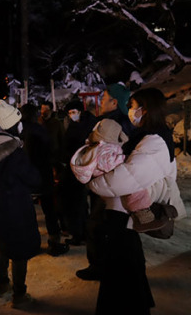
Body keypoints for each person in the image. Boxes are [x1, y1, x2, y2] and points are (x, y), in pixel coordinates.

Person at [87, 87, 186, 315]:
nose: (131, 111)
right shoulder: (148, 136)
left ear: (146, 109)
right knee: (127, 266)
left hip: (124, 214)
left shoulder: (154, 142)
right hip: (123, 213)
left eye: (133, 106)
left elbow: (125, 179)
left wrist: (93, 183)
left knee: (122, 268)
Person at [0, 99, 41, 308]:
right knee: (19, 252)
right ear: (12, 125)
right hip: (17, 208)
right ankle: (19, 296)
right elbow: (33, 179)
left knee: (2, 246)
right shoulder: (14, 152)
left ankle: (2, 284)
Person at [76, 82, 136, 281]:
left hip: (109, 185)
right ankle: (104, 265)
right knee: (104, 226)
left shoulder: (114, 125)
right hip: (107, 184)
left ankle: (100, 267)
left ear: (114, 102)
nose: (100, 102)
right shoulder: (113, 121)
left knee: (98, 225)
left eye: (103, 98)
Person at [71, 118, 171, 232]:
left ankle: (147, 213)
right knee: (136, 193)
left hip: (106, 182)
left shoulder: (96, 147)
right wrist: (125, 158)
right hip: (111, 181)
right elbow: (110, 162)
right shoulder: (106, 149)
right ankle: (144, 219)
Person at [20, 103, 69, 256]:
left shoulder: (19, 130)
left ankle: (29, 243)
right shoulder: (40, 130)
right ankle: (54, 243)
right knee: (49, 210)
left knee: (27, 212)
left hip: (25, 176)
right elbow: (51, 150)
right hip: (43, 174)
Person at [59, 98, 97, 246]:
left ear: (80, 111)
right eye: (69, 113)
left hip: (79, 169)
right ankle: (81, 233)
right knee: (79, 204)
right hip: (77, 168)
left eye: (74, 112)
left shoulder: (85, 125)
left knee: (77, 204)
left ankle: (79, 234)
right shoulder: (79, 124)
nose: (72, 115)